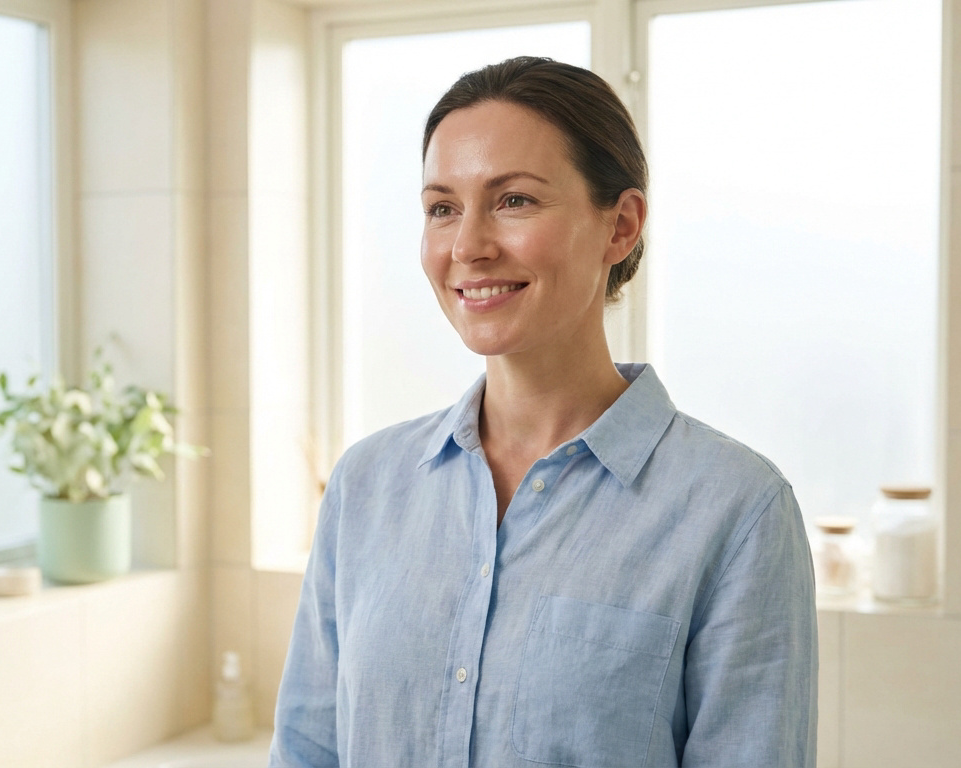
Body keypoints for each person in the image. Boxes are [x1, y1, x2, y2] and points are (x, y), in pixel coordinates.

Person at [269, 56, 817, 768]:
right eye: (442, 208)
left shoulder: (736, 512)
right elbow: (309, 752)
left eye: (514, 201)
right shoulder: (365, 486)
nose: (468, 246)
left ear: (620, 227)